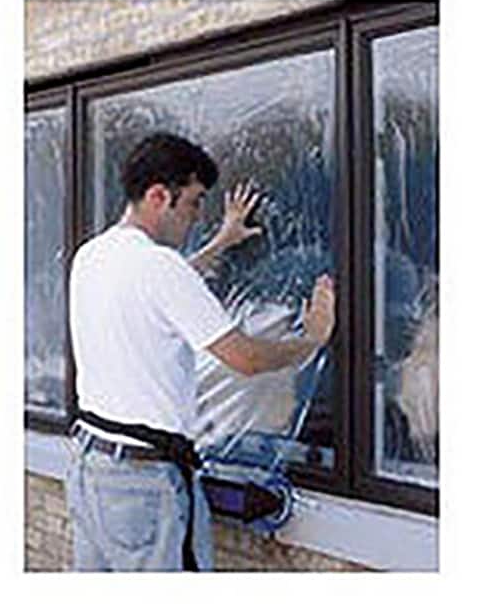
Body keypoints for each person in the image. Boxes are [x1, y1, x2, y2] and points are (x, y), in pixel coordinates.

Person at [66, 132, 335, 572]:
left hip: (91, 468)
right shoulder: (158, 267)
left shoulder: (94, 255)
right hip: (143, 485)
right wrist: (312, 340)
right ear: (159, 196)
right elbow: (245, 358)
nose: (196, 217)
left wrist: (222, 242)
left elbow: (158, 293)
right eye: (193, 203)